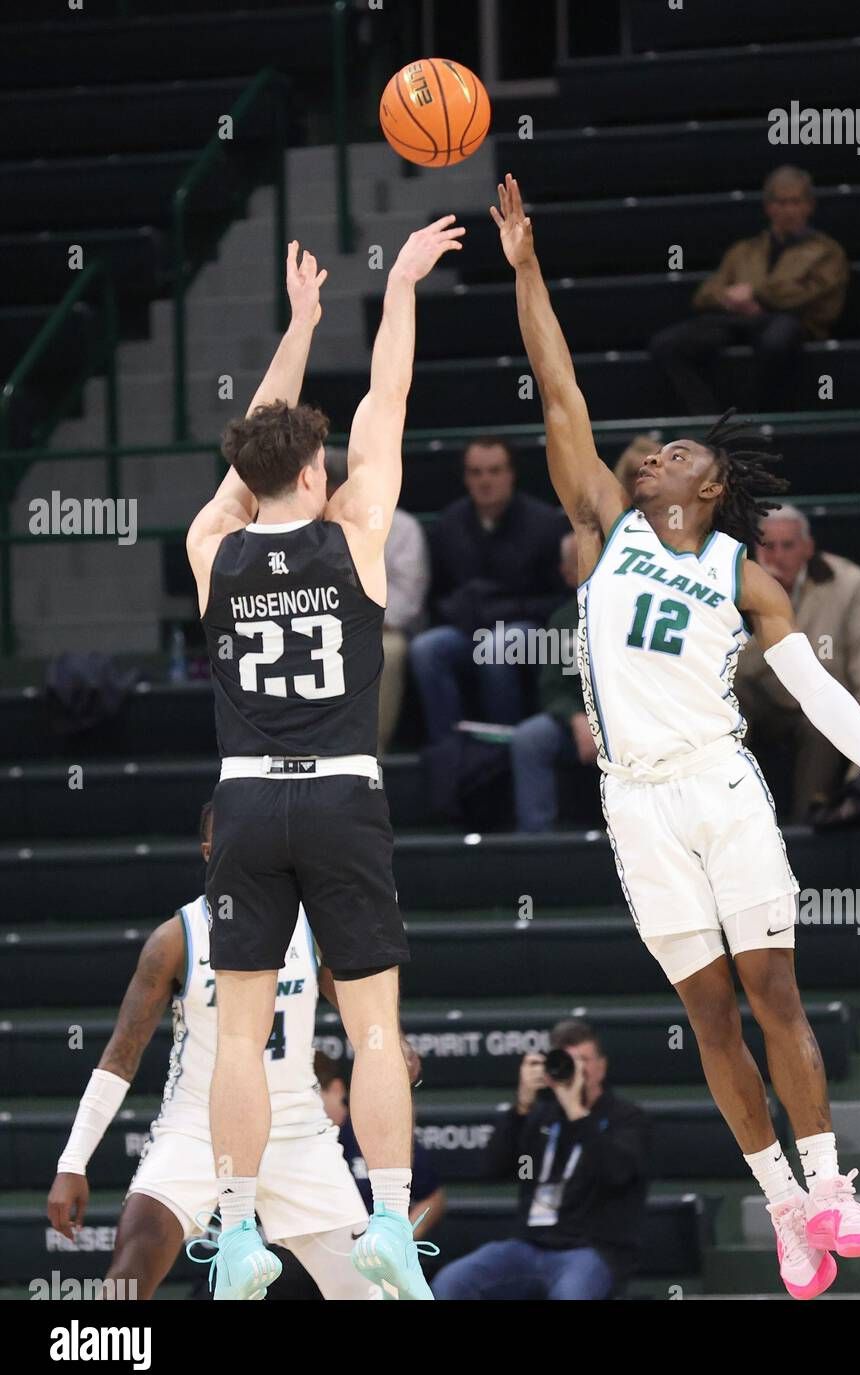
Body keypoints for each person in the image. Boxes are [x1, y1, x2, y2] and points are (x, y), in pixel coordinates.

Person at [490, 173, 860, 1300]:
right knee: (706, 1014)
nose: (647, 452)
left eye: (669, 452)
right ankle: (786, 1209)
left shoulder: (740, 574)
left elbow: (811, 686)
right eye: (645, 449)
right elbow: (556, 387)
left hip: (717, 782)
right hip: (636, 800)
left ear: (707, 484)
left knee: (775, 995)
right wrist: (524, 268)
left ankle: (833, 1182)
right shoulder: (604, 523)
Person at [184, 223, 463, 1299]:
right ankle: (390, 1218)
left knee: (241, 1039)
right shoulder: (353, 531)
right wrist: (395, 288)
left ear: (245, 479)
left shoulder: (213, 548)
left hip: (245, 804)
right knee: (376, 1027)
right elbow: (384, 402)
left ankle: (241, 1234)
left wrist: (297, 325)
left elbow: (248, 449)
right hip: (345, 796)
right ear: (313, 468)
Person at [46, 804, 376, 1302]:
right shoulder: (175, 939)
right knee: (135, 1259)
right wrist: (72, 1162)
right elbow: (121, 1054)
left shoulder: (313, 928)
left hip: (295, 1129)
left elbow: (362, 1012)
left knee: (370, 1292)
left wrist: (393, 1044)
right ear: (209, 853)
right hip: (197, 1126)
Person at [431, 1021, 648, 1300]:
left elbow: (616, 1172)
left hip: (592, 1250)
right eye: (569, 1061)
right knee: (451, 1283)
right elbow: (492, 1168)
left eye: (584, 1060)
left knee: (571, 1295)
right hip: (528, 1245)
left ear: (602, 1067)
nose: (578, 1070)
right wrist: (521, 1106)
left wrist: (577, 1113)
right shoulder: (542, 1115)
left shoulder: (627, 1118)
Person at [649, 166, 848, 414]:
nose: (788, 210)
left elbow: (815, 297)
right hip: (738, 320)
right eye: (780, 202)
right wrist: (731, 299)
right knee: (667, 344)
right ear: (768, 207)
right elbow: (706, 293)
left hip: (793, 323)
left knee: (777, 341)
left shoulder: (827, 252)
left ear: (809, 206)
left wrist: (757, 294)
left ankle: (761, 418)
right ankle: (709, 420)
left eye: (795, 202)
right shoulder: (745, 250)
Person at [409, 436, 567, 744]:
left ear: (511, 474)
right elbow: (436, 596)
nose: (485, 481)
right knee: (426, 648)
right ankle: (449, 749)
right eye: (476, 472)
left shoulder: (545, 523)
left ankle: (505, 745)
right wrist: (458, 610)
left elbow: (560, 601)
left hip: (527, 630)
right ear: (466, 477)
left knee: (497, 645)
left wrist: (508, 611)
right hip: (468, 627)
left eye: (495, 471)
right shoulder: (449, 524)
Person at [734, 504, 860, 821]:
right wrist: (764, 601)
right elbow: (732, 666)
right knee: (730, 694)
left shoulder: (850, 585)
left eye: (787, 545)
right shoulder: (738, 584)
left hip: (819, 701)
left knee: (823, 720)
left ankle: (806, 824)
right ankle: (729, 813)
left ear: (808, 548)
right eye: (768, 546)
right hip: (763, 698)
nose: (777, 555)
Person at [324, 448, 429, 754]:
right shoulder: (310, 528)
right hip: (327, 625)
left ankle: (370, 751)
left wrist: (355, 620)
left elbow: (406, 603)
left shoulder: (401, 526)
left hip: (385, 629)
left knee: (387, 651)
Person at [510, 532, 597, 831]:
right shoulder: (563, 618)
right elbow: (552, 686)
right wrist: (576, 717)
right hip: (579, 721)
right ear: (567, 574)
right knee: (530, 738)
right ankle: (536, 842)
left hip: (630, 720)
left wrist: (604, 723)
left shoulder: (634, 610)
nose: (590, 567)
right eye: (580, 563)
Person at [316, 1053, 446, 1241]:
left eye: (311, 1098)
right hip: (321, 1251)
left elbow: (432, 1198)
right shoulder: (296, 1146)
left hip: (377, 1248)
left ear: (336, 1090)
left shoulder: (373, 1132)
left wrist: (400, 1241)